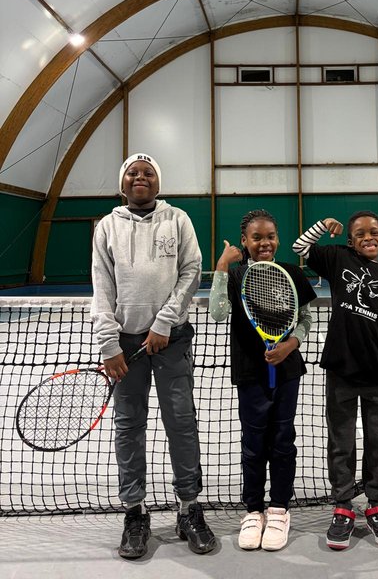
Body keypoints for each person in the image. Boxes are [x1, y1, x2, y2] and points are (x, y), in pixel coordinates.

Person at [90, 153, 215, 559]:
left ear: (158, 184)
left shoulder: (177, 220)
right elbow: (102, 288)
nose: (140, 177)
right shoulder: (107, 226)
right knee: (128, 426)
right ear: (122, 183)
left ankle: (188, 508)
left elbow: (192, 270)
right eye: (132, 172)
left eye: (148, 173)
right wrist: (109, 345)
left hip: (171, 340)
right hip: (125, 347)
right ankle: (135, 512)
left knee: (181, 420)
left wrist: (164, 322)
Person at [209, 209, 316, 551]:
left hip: (286, 371)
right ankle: (253, 510)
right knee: (253, 443)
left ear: (278, 239)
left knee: (283, 439)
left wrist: (291, 345)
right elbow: (218, 312)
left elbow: (305, 319)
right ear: (244, 241)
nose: (264, 243)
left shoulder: (293, 273)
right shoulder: (236, 275)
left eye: (270, 236)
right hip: (251, 372)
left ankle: (280, 508)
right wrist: (222, 265)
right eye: (256, 237)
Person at [292, 212, 378, 550]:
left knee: (377, 443)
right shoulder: (339, 257)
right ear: (351, 240)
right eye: (360, 234)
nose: (369, 237)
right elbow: (300, 246)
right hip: (341, 369)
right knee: (341, 443)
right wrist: (323, 225)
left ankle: (377, 504)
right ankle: (342, 506)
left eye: (375, 233)